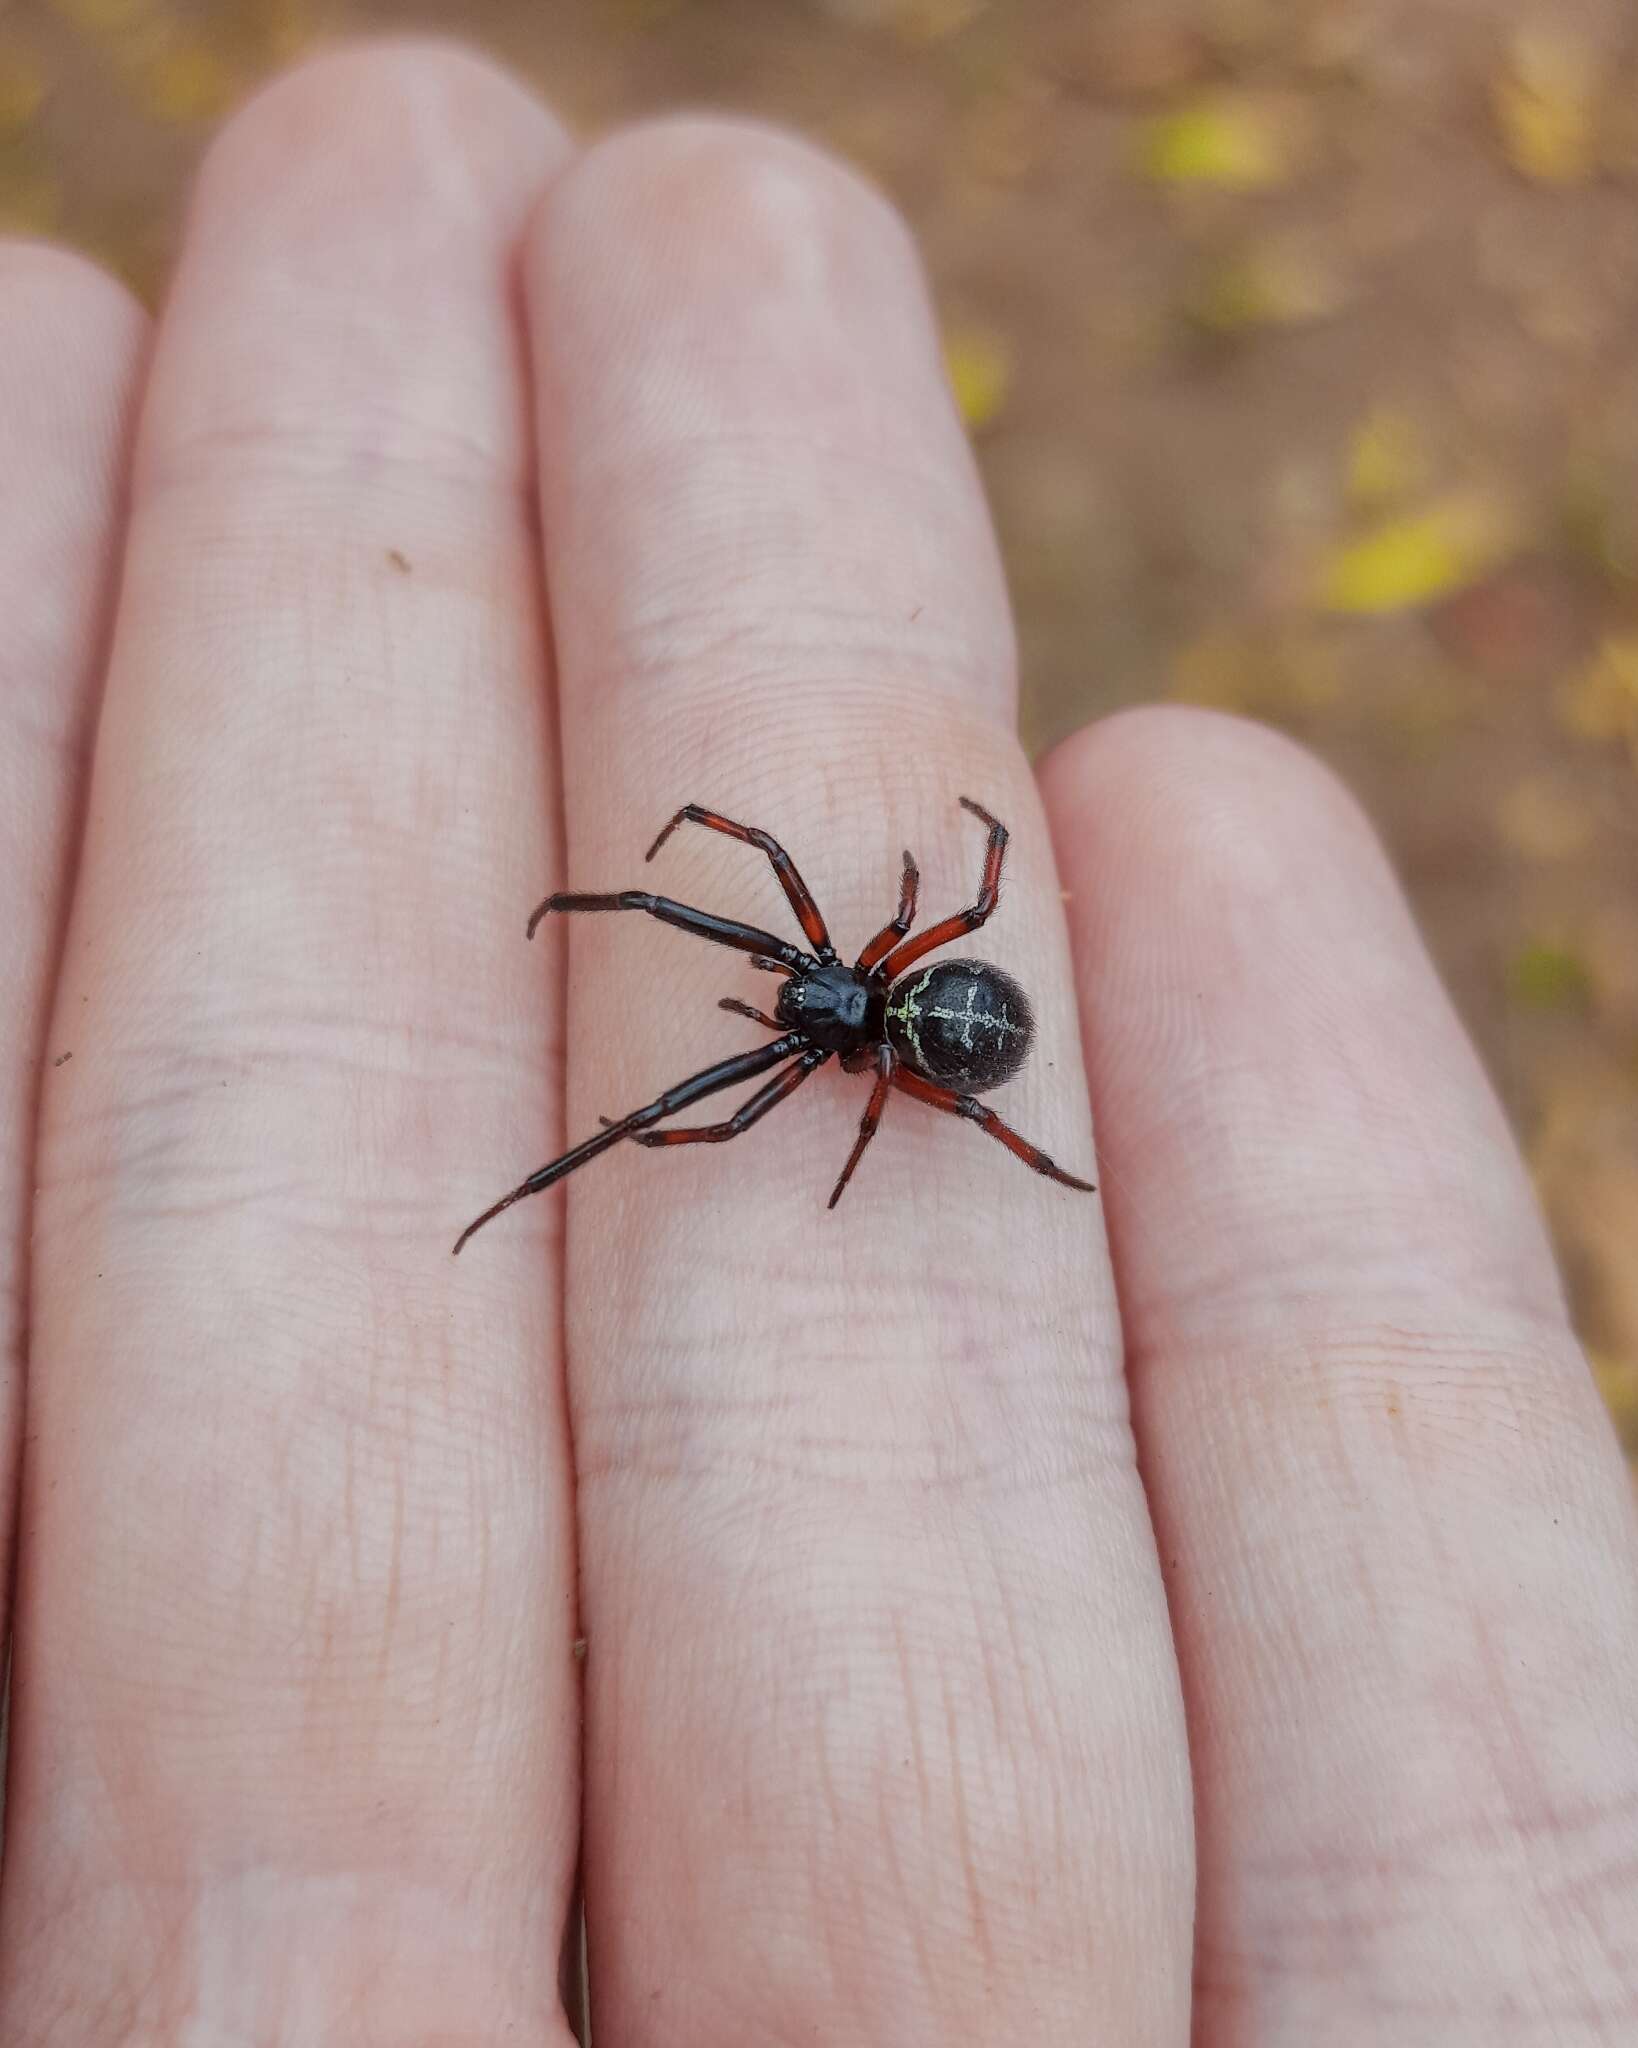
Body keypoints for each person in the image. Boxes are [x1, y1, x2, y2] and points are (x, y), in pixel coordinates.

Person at [1, 39, 1633, 2042]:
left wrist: (941, 1076)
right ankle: (594, 1099)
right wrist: (726, 904)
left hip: (969, 1028)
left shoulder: (867, 1050)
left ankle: (608, 1126)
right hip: (944, 1009)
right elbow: (833, 915)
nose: (791, 1005)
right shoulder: (834, 1012)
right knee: (702, 1061)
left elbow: (908, 970)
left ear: (849, 1013)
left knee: (713, 1078)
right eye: (810, 1000)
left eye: (810, 1004)